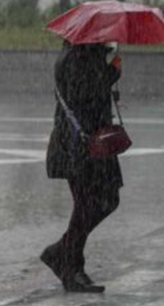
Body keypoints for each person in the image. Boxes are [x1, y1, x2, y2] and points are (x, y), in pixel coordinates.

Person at [42, 41, 124, 292]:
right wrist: (111, 74)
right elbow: (83, 96)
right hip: (79, 143)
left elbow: (90, 94)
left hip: (90, 142)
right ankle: (71, 265)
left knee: (104, 200)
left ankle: (63, 254)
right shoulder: (76, 58)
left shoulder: (84, 54)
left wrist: (107, 75)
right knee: (89, 203)